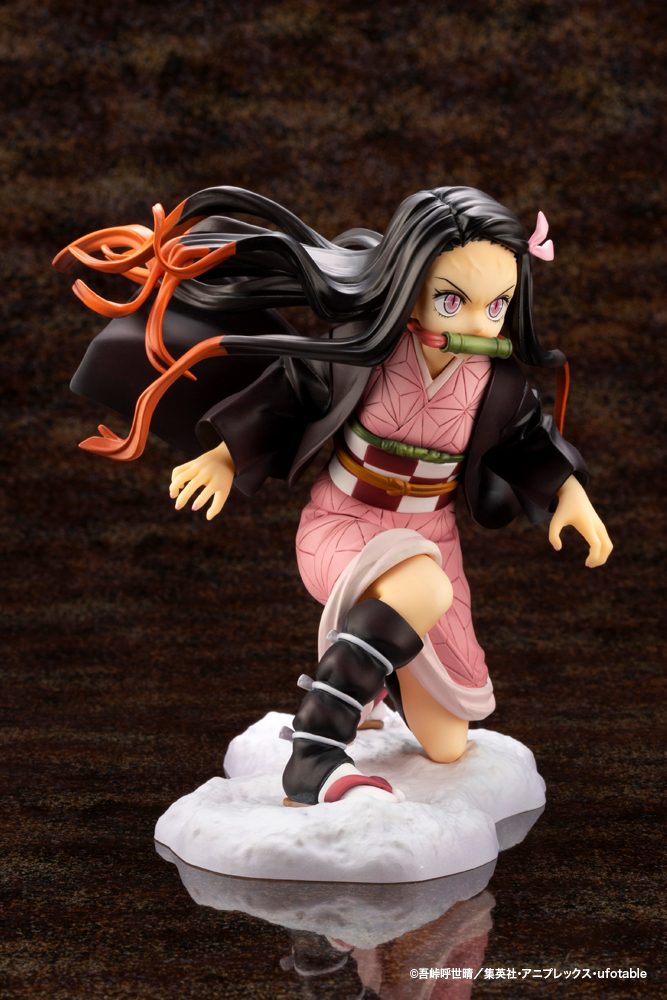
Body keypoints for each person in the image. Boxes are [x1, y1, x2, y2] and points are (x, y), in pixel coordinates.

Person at [55, 185, 612, 807]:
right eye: (453, 301)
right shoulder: (361, 349)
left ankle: (374, 667)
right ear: (410, 286)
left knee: (447, 743)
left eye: (498, 305)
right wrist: (225, 454)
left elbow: (528, 440)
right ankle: (315, 753)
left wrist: (568, 493)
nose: (480, 324)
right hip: (344, 519)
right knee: (423, 587)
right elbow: (284, 396)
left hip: (434, 534)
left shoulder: (499, 383)